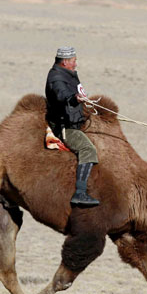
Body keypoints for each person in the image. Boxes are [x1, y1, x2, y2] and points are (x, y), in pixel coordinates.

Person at [44, 46, 99, 207]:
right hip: (65, 127)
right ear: (65, 62)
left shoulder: (68, 74)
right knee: (88, 149)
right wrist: (74, 98)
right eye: (74, 61)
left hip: (74, 121)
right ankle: (80, 193)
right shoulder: (56, 78)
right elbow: (61, 95)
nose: (76, 64)